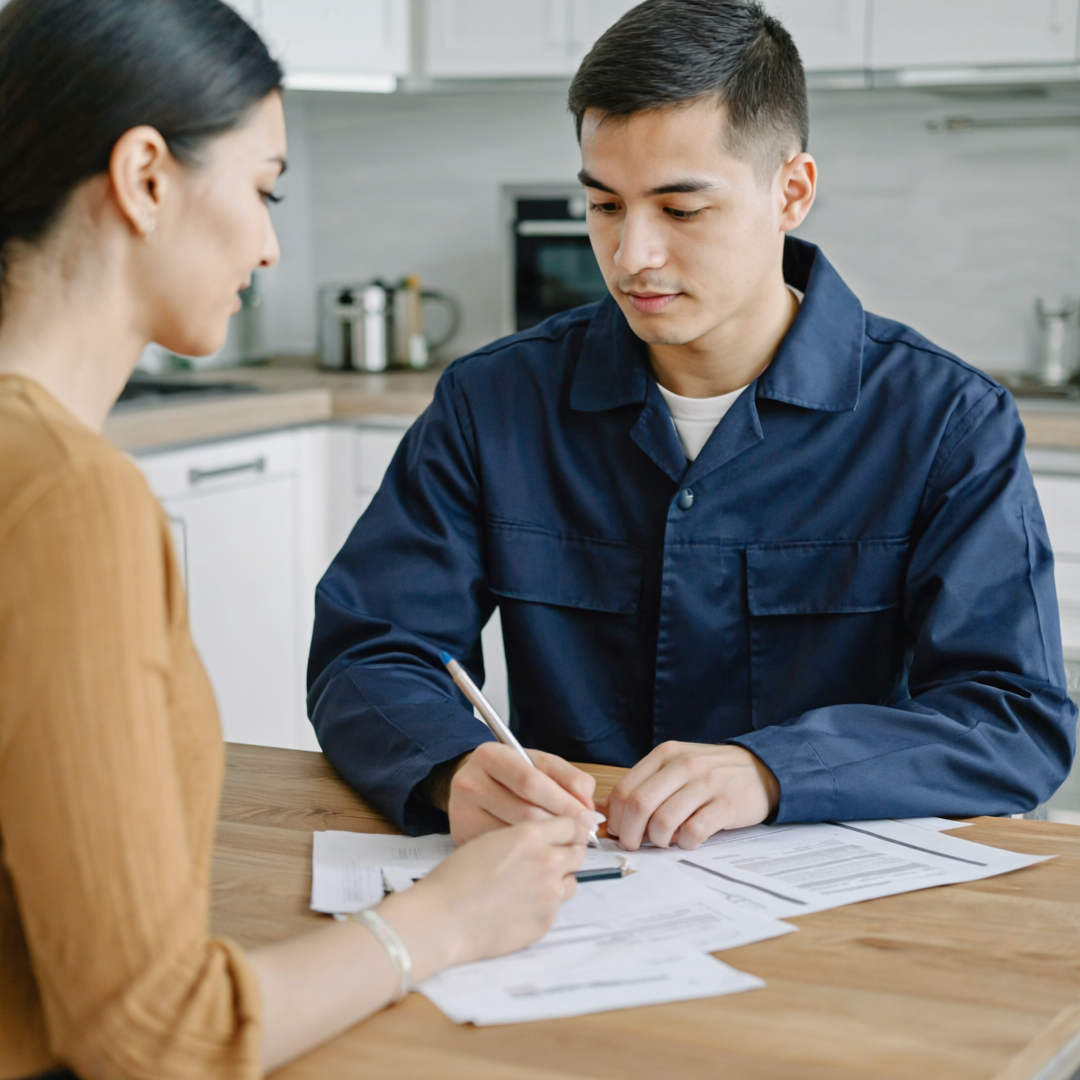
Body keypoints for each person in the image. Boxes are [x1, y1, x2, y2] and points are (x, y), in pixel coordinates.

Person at [308, 0, 1077, 852]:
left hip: (845, 913)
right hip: (574, 897)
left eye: (681, 210)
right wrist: (454, 765)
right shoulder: (492, 402)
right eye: (604, 206)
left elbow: (1013, 721)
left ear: (791, 192)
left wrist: (775, 770)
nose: (633, 255)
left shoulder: (946, 422)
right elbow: (370, 653)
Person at [0, 2, 591, 1077]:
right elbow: (153, 1034)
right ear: (144, 178)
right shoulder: (63, 498)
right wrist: (445, 920)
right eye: (263, 188)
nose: (272, 245)